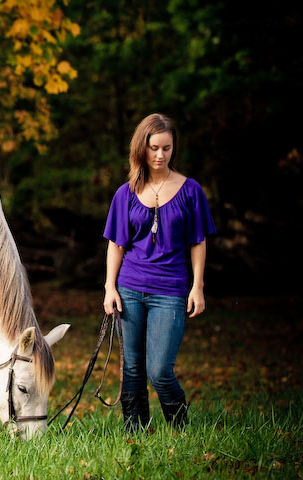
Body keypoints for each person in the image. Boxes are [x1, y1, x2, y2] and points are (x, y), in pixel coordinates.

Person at [102, 113, 216, 432]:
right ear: (142, 147)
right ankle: (134, 430)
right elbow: (116, 245)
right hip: (129, 289)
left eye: (166, 148)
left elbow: (198, 241)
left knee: (160, 370)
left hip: (171, 290)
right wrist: (110, 287)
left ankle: (179, 427)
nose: (160, 155)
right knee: (132, 367)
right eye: (153, 148)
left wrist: (198, 287)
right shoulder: (125, 193)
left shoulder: (190, 190)